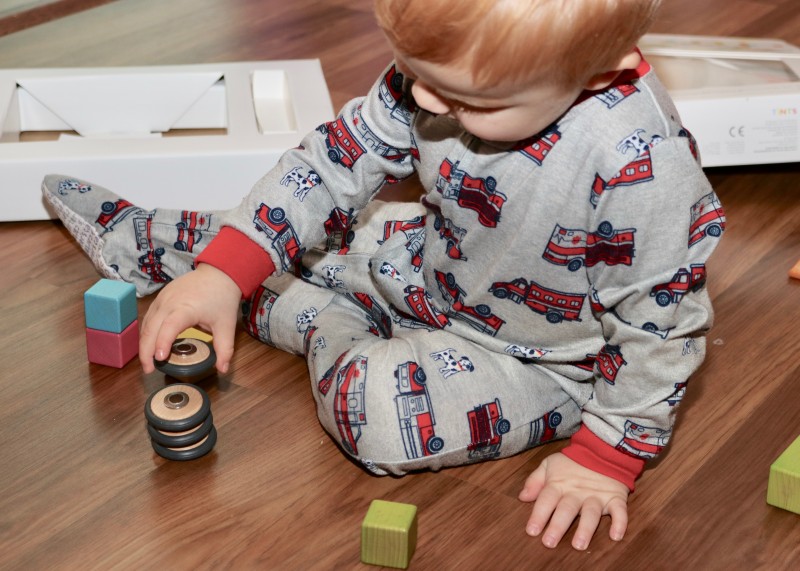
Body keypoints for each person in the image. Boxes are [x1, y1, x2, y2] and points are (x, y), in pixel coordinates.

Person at [43, 0, 725, 551]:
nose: (421, 97)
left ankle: (317, 320)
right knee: (292, 231)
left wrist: (605, 456)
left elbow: (659, 331)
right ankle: (159, 244)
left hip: (550, 364)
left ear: (601, 72)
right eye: (411, 70)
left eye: (466, 100)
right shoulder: (442, 78)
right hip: (435, 260)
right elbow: (333, 162)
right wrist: (226, 269)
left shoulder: (644, 172)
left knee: (378, 410)